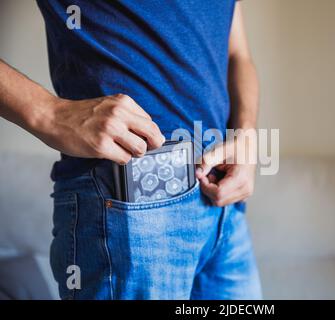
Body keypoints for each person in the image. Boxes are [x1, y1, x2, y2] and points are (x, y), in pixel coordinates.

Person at [0, 0, 261, 299]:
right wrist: (47, 113)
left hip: (226, 210)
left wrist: (247, 134)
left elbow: (237, 52)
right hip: (131, 212)